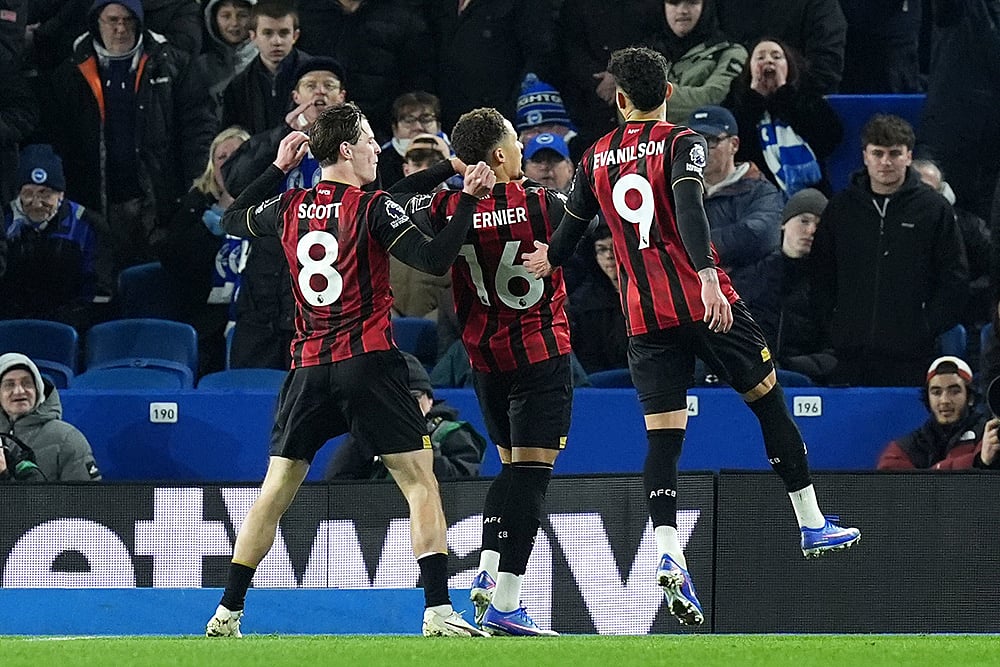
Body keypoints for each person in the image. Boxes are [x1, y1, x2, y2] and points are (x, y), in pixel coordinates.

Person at [522, 46, 860, 626]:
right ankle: (810, 522)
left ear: (621, 100)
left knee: (664, 440)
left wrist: (546, 260)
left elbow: (573, 227)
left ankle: (669, 555)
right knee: (769, 403)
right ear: (671, 93)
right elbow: (687, 205)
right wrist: (705, 274)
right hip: (706, 304)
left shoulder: (595, 157)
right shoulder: (683, 143)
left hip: (645, 319)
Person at [204, 104, 495, 638]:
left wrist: (276, 168)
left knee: (276, 489)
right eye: (367, 140)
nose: (375, 149)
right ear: (345, 150)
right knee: (419, 482)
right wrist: (467, 201)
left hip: (308, 368)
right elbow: (432, 260)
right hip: (369, 363)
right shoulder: (372, 206)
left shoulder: (290, 205)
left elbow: (230, 219)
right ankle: (437, 611)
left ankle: (227, 612)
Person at [394, 107, 573, 636]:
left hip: (485, 362)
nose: (523, 149)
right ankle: (508, 603)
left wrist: (450, 171)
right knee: (532, 479)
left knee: (511, 470)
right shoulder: (543, 203)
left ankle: (489, 574)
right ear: (499, 155)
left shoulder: (449, 206)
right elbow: (595, 216)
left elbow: (395, 201)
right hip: (541, 355)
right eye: (516, 141)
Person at [40, 0, 215, 285]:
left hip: (159, 203)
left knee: (156, 286)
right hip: (96, 204)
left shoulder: (172, 64)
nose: (120, 29)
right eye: (112, 20)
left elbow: (197, 127)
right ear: (96, 22)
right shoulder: (70, 72)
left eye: (128, 20)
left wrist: (193, 188)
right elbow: (60, 140)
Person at [810, 114, 968, 387]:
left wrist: (925, 327)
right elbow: (821, 274)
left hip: (912, 356)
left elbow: (954, 277)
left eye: (895, 153)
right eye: (878, 153)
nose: (885, 162)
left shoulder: (933, 209)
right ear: (865, 156)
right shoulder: (841, 208)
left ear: (909, 156)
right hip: (848, 354)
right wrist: (835, 326)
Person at [222, 55, 348, 370]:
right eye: (310, 85)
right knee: (253, 393)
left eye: (328, 86)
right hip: (264, 291)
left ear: (342, 97)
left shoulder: (360, 150)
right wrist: (281, 135)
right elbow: (236, 183)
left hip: (328, 297)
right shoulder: (275, 143)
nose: (320, 93)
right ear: (296, 96)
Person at [154, 126, 250, 375]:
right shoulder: (196, 204)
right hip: (206, 316)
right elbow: (175, 261)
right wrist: (210, 225)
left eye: (239, 155)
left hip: (257, 317)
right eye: (222, 157)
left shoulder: (277, 201)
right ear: (212, 166)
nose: (230, 163)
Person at [325, 352, 487, 480]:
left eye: (414, 398)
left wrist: (421, 439)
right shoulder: (371, 434)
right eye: (397, 400)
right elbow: (336, 485)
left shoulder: (454, 434)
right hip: (377, 517)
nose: (406, 407)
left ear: (430, 400)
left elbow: (461, 486)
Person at [2, 144, 107, 328]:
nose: (36, 203)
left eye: (45, 194)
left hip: (69, 329)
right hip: (10, 326)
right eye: (28, 194)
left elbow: (99, 289)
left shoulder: (87, 225)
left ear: (61, 195)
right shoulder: (4, 221)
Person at [724, 37, 843, 197]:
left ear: (789, 65)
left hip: (809, 195)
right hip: (754, 196)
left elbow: (828, 139)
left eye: (776, 57)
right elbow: (734, 150)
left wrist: (784, 95)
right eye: (760, 57)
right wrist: (754, 99)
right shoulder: (737, 102)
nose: (769, 61)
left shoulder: (807, 96)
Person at [740, 188, 836, 385]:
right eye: (804, 221)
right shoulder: (753, 277)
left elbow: (835, 352)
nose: (811, 231)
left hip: (806, 381)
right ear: (784, 223)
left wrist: (788, 365)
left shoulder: (832, 284)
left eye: (820, 225)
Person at [687, 104, 782, 295]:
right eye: (693, 140)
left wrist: (691, 250)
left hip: (745, 298)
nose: (700, 149)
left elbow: (759, 236)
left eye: (711, 140)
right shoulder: (678, 190)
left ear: (734, 145)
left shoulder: (762, 191)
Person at [877, 356, 999, 470]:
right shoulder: (908, 446)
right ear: (928, 399)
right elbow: (889, 478)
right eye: (936, 393)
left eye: (954, 392)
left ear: (970, 398)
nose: (945, 401)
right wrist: (975, 461)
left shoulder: (990, 436)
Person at [912, 158, 992, 330]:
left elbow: (992, 266)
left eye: (937, 191)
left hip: (961, 315)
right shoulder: (888, 226)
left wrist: (961, 292)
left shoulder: (968, 226)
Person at [0, 353, 102, 482]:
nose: (19, 391)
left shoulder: (67, 438)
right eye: (9, 384)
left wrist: (4, 476)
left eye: (27, 383)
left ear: (38, 390)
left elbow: (85, 499)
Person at [714, 0, 847, 95]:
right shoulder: (722, 5)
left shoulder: (820, 5)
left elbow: (825, 72)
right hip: (729, 107)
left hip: (801, 109)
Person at [647, 0, 747, 125]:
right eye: (673, 3)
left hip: (706, 141)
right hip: (651, 142)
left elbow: (711, 99)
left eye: (692, 2)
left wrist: (648, 99)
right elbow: (625, 111)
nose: (682, 11)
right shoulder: (645, 55)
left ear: (706, 6)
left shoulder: (728, 52)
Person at [220, 0, 310, 136]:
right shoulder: (238, 86)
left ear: (295, 36)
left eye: (284, 33)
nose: (276, 42)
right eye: (268, 33)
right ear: (253, 36)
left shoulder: (315, 75)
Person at [566, 224, 628, 374]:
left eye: (614, 247)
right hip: (600, 381)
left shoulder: (649, 293)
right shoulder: (585, 303)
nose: (609, 255)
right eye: (602, 249)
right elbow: (589, 357)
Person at [197, 0, 257, 120]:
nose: (234, 23)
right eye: (225, 16)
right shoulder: (201, 67)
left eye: (242, 15)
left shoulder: (268, 60)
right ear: (213, 19)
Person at [379, 92, 447, 189]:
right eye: (409, 120)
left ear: (438, 125)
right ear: (395, 128)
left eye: (426, 119)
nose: (418, 127)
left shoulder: (459, 156)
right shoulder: (379, 164)